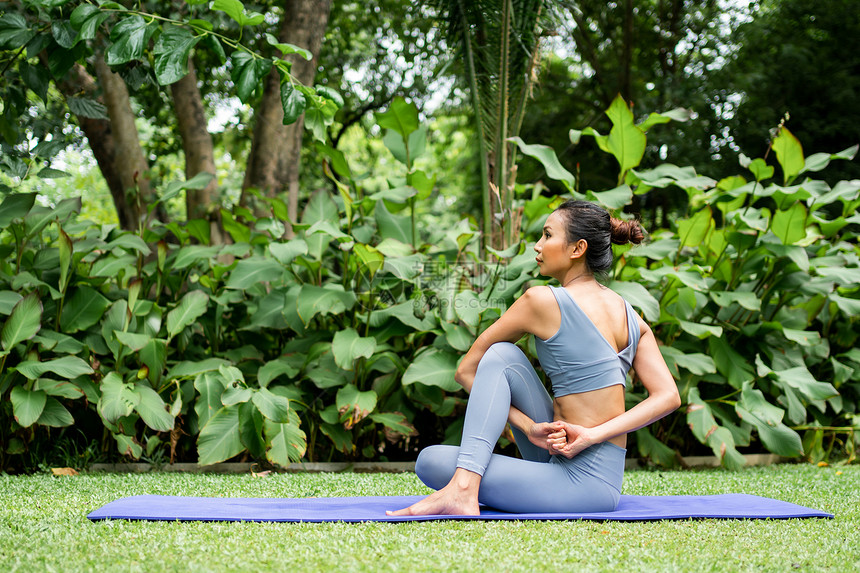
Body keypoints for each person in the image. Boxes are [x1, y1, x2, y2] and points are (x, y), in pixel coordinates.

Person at [387, 199, 680, 516]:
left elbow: (465, 370)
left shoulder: (540, 300)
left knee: (431, 461)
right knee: (503, 355)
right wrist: (529, 428)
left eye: (548, 235)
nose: (538, 246)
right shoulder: (630, 314)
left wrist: (590, 436)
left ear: (577, 248)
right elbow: (668, 396)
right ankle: (464, 487)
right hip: (590, 472)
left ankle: (462, 489)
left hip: (582, 486)